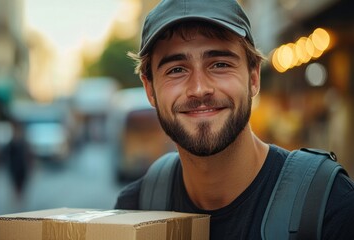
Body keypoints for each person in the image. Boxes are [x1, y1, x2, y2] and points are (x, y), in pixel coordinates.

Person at [114, 0, 354, 239]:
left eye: (220, 64)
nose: (199, 89)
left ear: (253, 78)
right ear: (150, 89)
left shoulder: (331, 207)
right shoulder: (136, 207)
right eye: (176, 69)